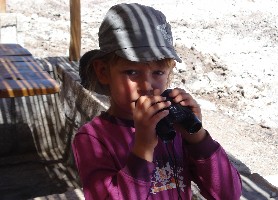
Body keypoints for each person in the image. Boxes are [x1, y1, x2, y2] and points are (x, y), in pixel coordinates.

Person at [72, 3, 242, 200]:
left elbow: (228, 194)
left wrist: (197, 137)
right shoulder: (92, 138)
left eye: (158, 72)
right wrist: (142, 148)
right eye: (132, 72)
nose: (147, 85)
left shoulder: (173, 128)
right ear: (103, 72)